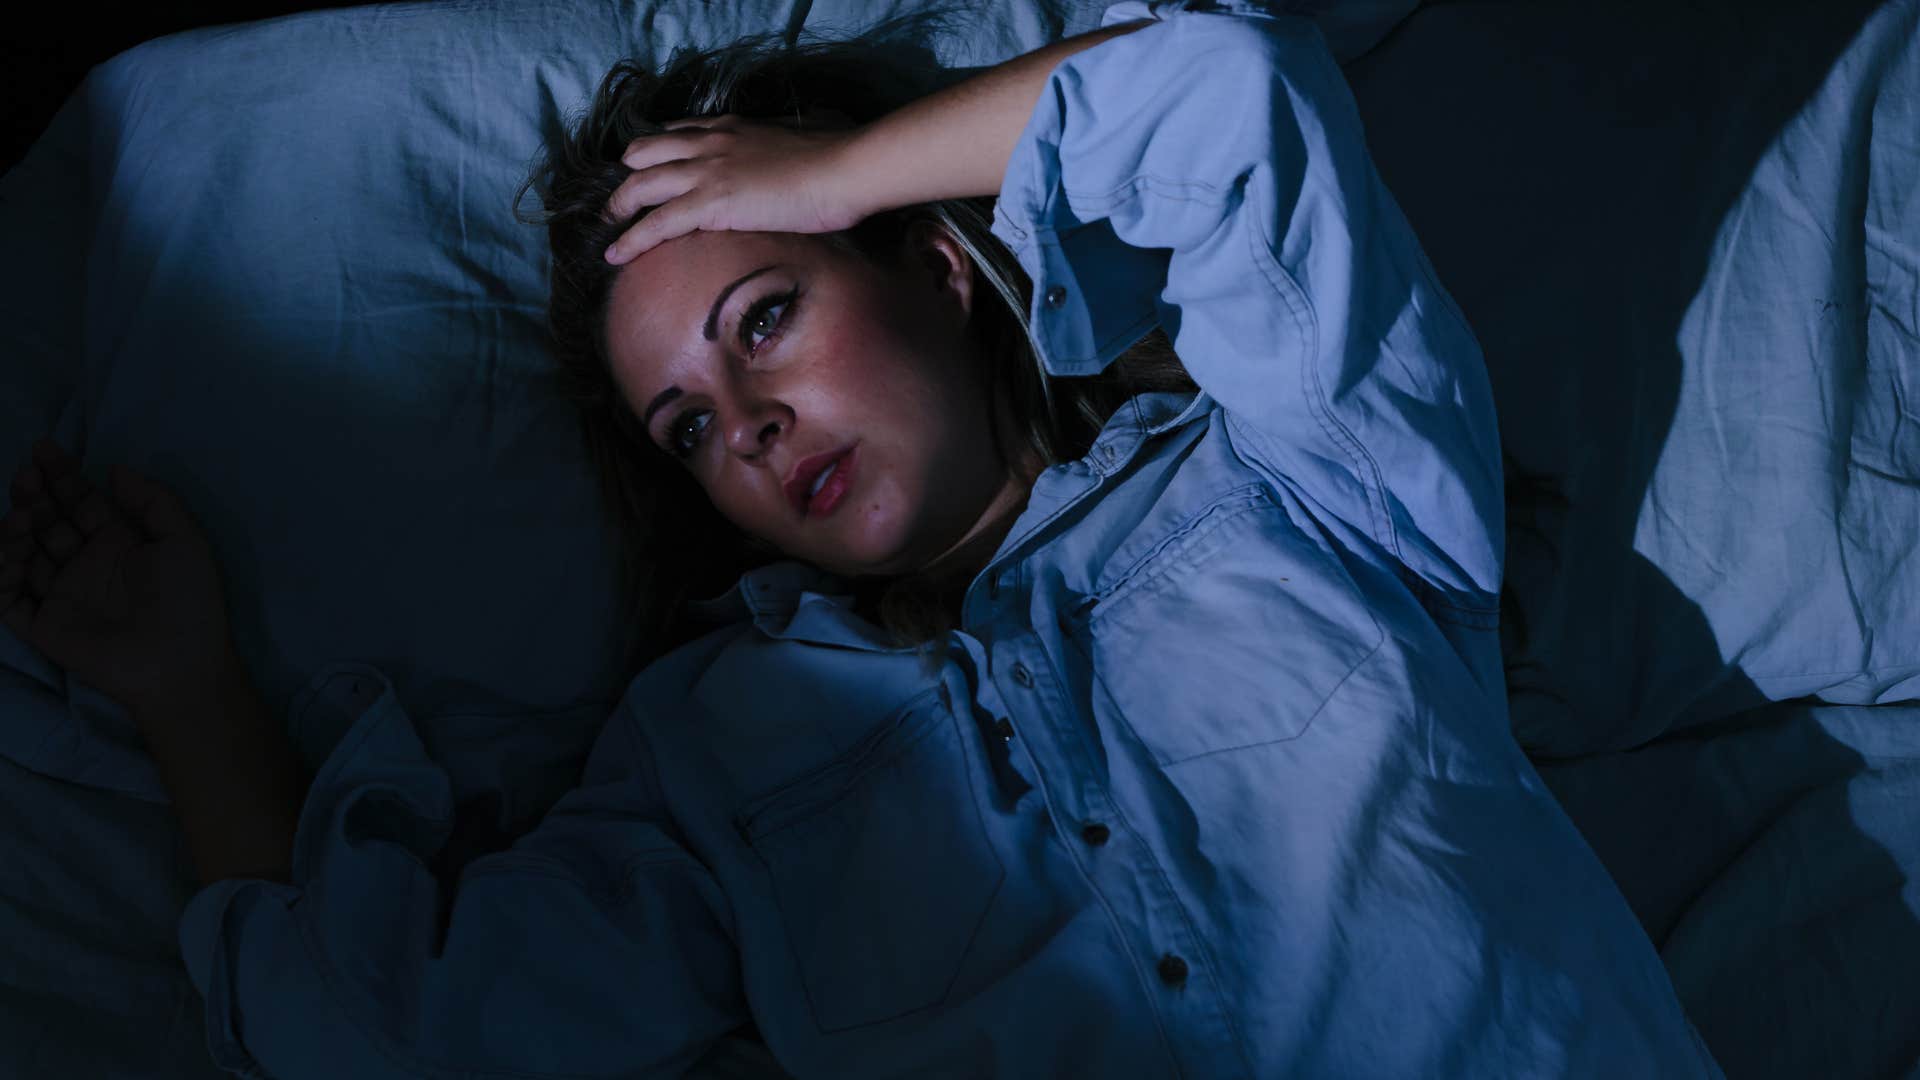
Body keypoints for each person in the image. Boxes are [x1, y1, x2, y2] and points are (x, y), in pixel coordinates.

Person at [0, 1, 1723, 1076]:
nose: (738, 426)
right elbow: (378, 1037)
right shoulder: (717, 750)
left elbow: (1228, 91)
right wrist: (187, 695)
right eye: (684, 423)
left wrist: (835, 170)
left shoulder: (1297, 476)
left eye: (761, 316)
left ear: (936, 264)